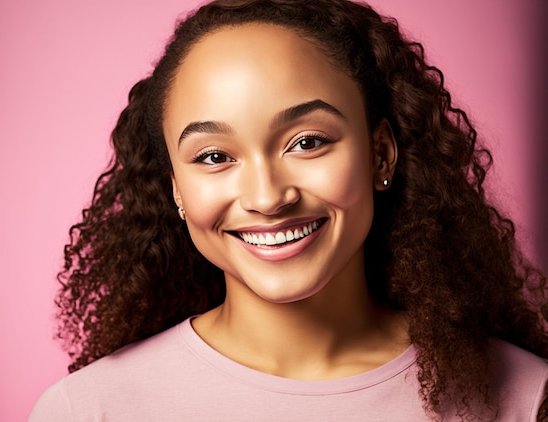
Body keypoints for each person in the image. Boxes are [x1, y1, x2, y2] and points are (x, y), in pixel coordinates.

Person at [29, 0, 548, 420]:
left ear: (381, 153)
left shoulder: (526, 399)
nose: (267, 197)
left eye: (307, 142)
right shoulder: (88, 410)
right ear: (177, 190)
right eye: (214, 156)